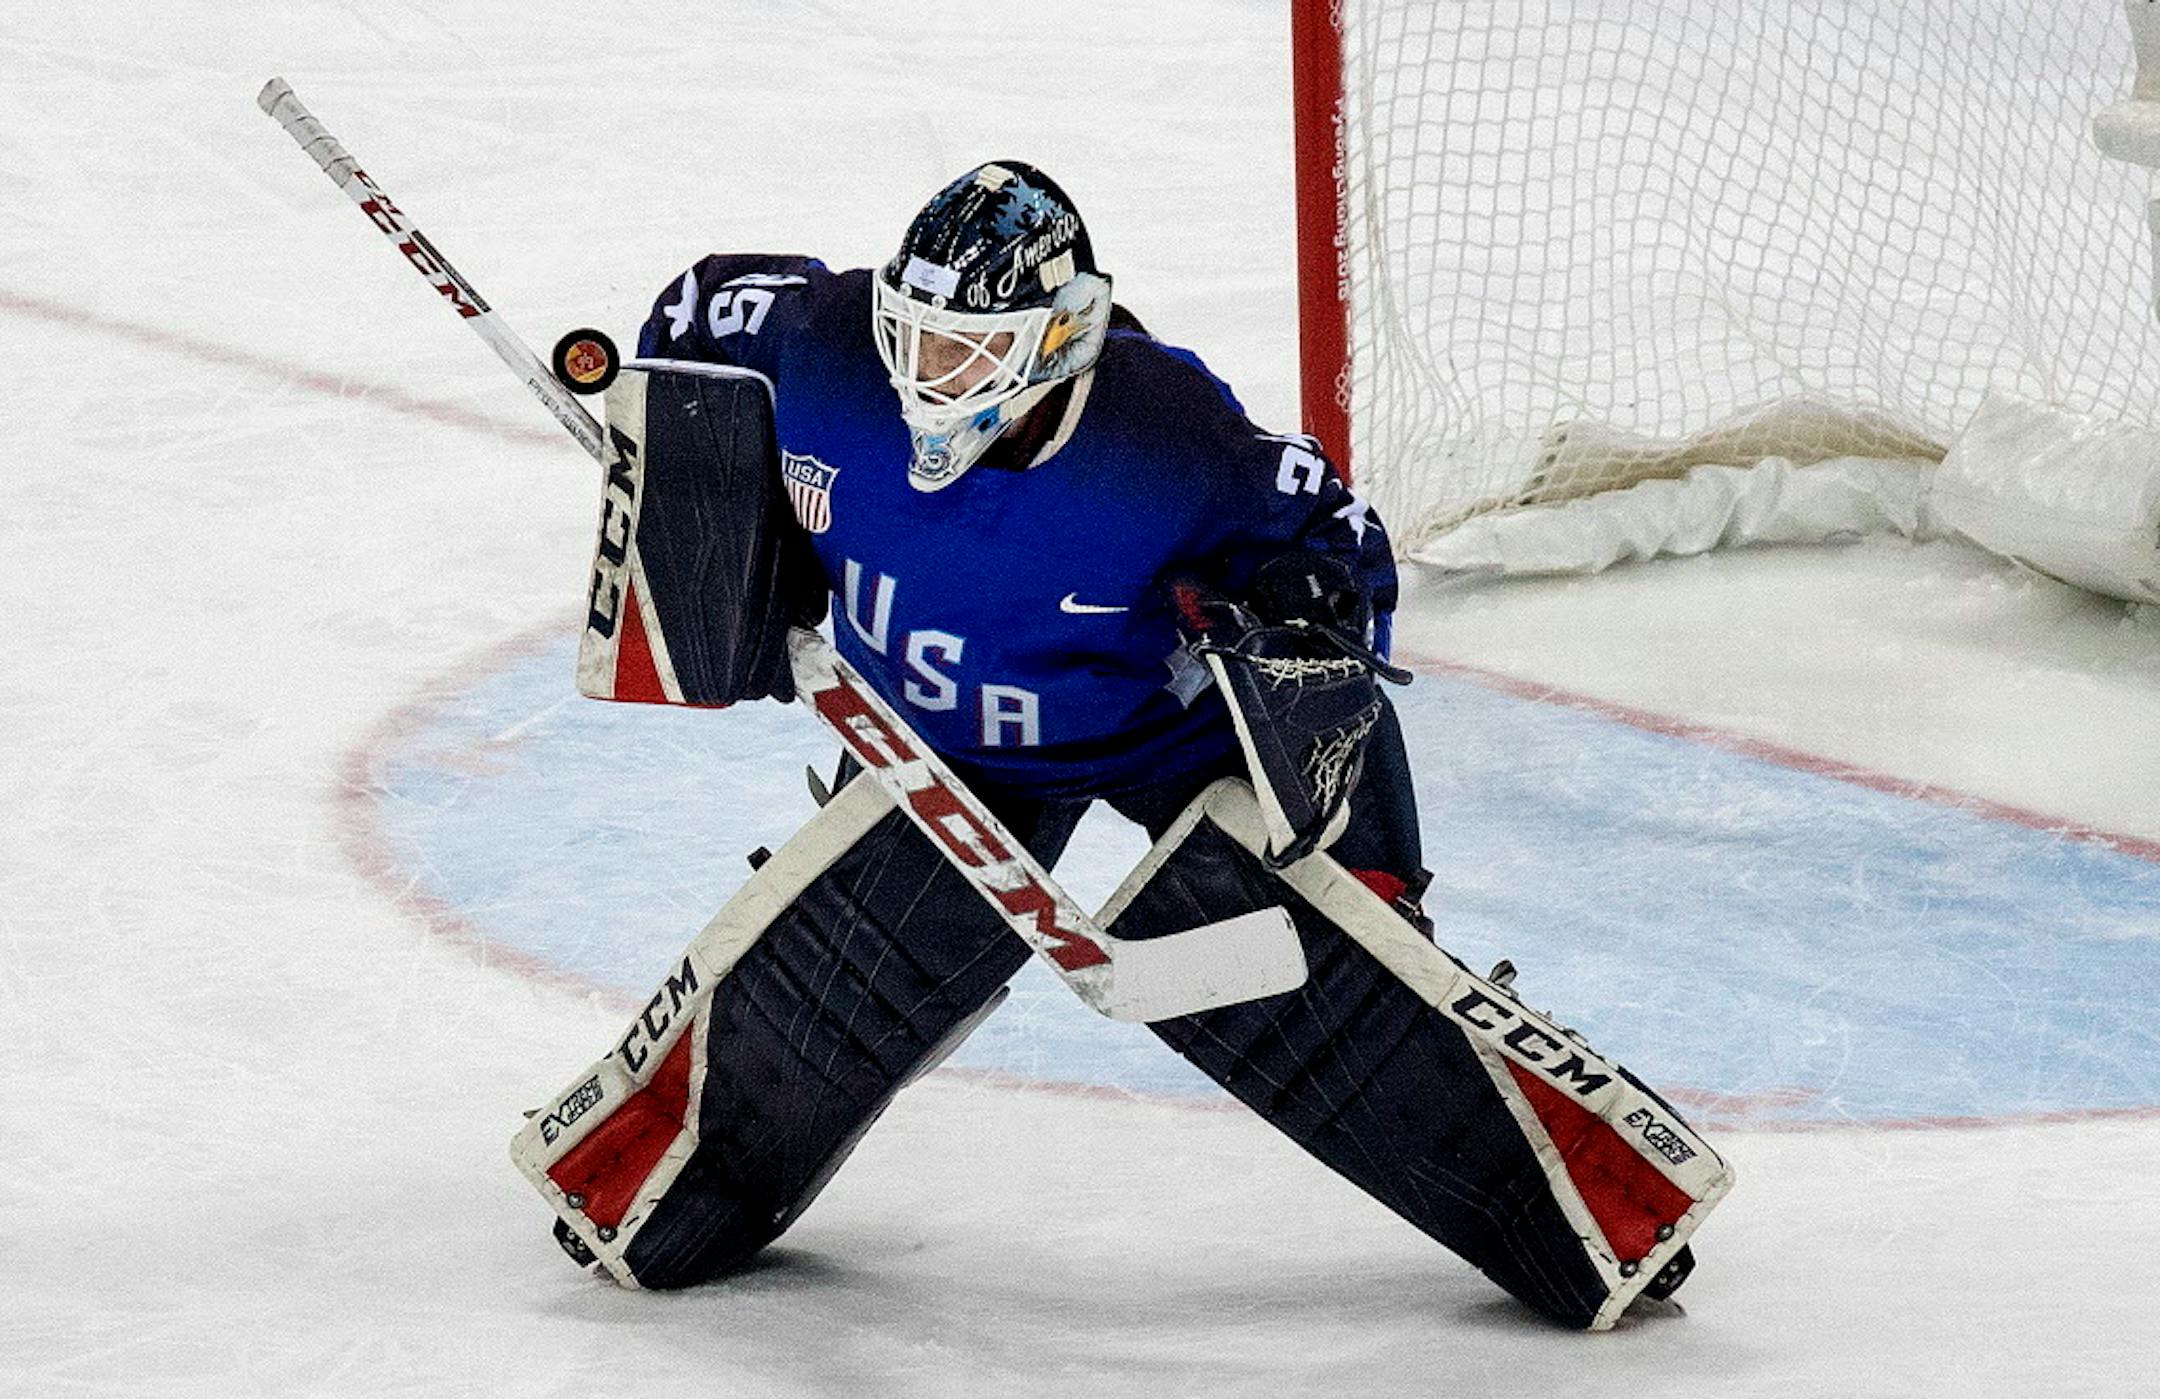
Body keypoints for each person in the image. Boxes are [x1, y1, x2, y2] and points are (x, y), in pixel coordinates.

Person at [633, 159, 1424, 905]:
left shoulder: (1165, 436)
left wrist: (1315, 610)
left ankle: (1376, 912)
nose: (926, 370)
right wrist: (717, 515)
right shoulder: (829, 349)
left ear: (1059, 336)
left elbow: (1337, 528)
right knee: (786, 1041)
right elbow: (694, 307)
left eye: (968, 351)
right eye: (914, 334)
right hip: (934, 751)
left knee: (1352, 1004)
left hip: (1165, 741)